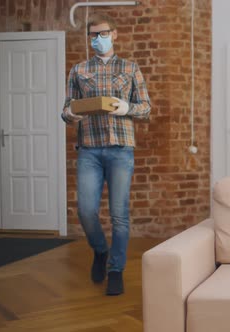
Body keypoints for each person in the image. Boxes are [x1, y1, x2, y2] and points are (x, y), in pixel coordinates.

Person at [61, 13, 151, 296]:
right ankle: (100, 251)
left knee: (119, 215)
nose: (97, 39)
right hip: (89, 149)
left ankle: (116, 270)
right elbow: (65, 111)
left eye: (103, 34)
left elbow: (145, 108)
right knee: (87, 211)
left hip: (121, 150)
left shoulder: (130, 68)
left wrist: (125, 108)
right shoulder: (78, 70)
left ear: (115, 34)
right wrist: (72, 113)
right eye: (93, 35)